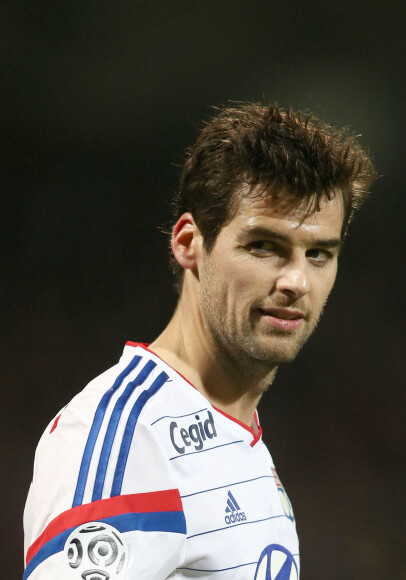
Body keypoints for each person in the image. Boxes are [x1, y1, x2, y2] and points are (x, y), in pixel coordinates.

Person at [23, 102, 377, 580]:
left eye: (318, 254)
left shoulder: (237, 433)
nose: (297, 280)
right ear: (190, 243)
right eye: (264, 246)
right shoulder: (126, 437)